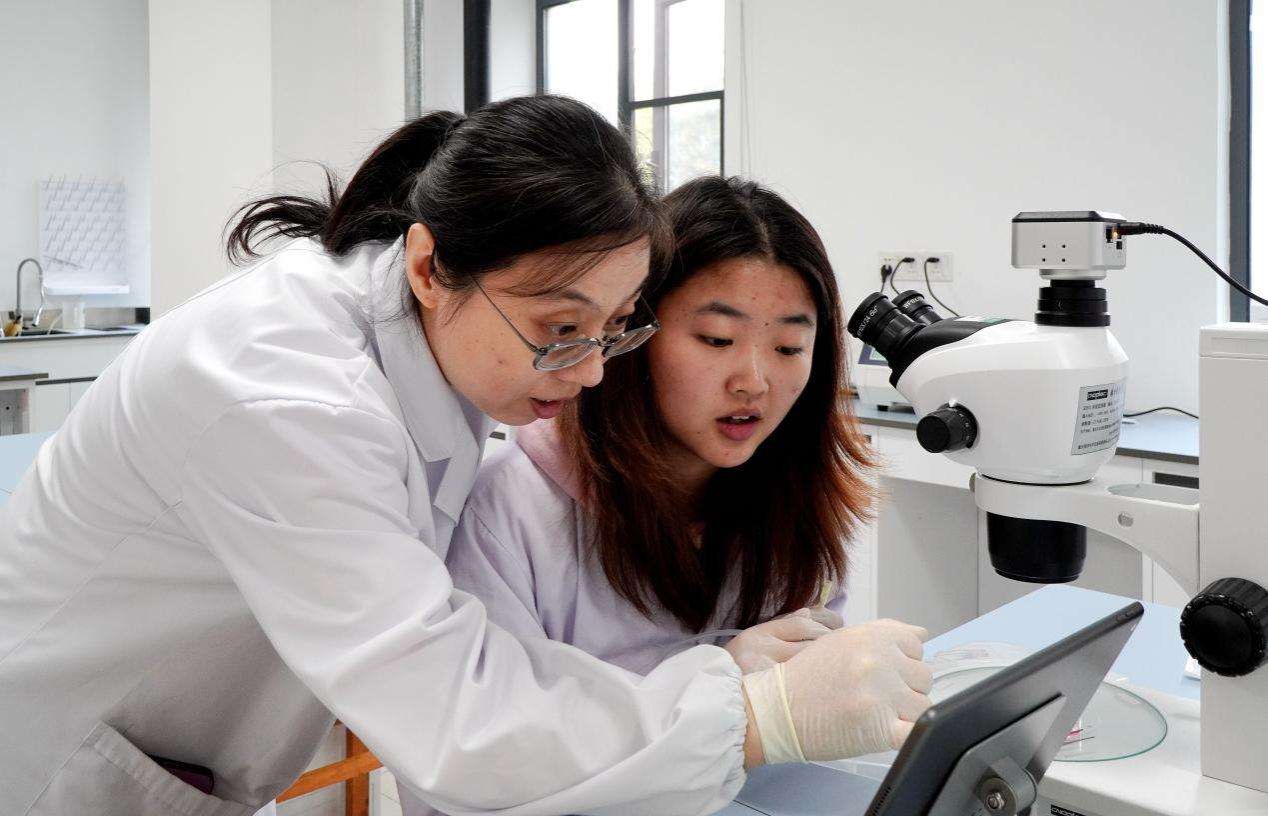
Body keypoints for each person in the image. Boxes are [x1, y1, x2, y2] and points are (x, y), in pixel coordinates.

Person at [0, 95, 926, 816]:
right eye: (559, 329)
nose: (593, 372)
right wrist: (751, 711)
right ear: (427, 266)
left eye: (614, 327)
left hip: (173, 749)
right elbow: (454, 713)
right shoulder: (285, 395)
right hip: (56, 762)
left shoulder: (430, 352)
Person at [401, 175, 933, 816]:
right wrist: (727, 694)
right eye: (716, 340)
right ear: (630, 334)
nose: (754, 381)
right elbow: (481, 767)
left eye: (789, 347)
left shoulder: (795, 496)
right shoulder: (504, 512)